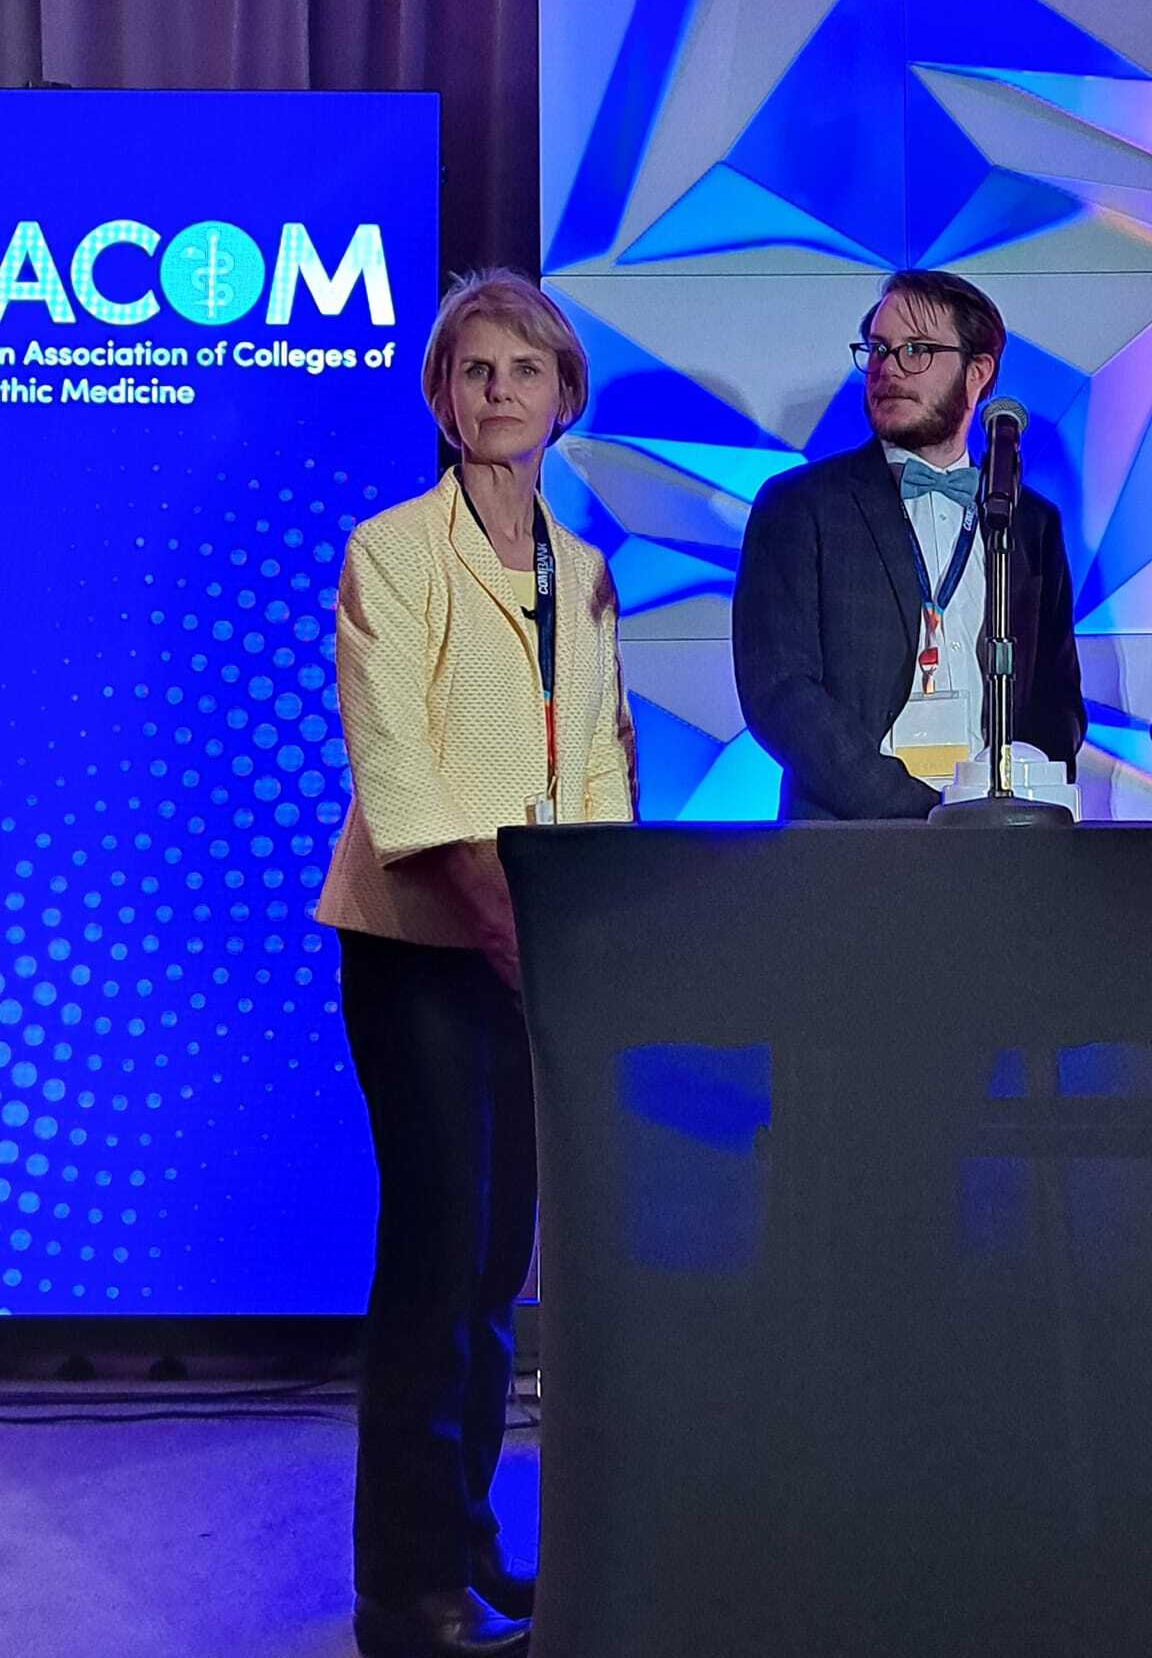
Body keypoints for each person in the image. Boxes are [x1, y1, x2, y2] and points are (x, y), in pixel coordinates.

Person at [318, 269, 635, 1658]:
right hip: (425, 950)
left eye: (524, 369)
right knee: (436, 1262)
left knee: (501, 1264)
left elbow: (603, 754)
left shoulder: (586, 570)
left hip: (540, 946)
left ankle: (467, 1533)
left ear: (566, 397)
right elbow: (401, 765)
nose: (499, 390)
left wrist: (594, 915)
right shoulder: (392, 551)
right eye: (474, 370)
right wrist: (513, 930)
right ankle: (405, 1590)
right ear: (443, 400)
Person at [732, 267, 1086, 819]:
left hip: (1000, 837)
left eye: (917, 350)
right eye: (878, 349)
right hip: (851, 838)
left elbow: (1056, 699)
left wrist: (1021, 797)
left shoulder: (1030, 522)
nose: (889, 368)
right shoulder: (800, 505)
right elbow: (779, 691)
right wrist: (922, 812)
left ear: (977, 371)